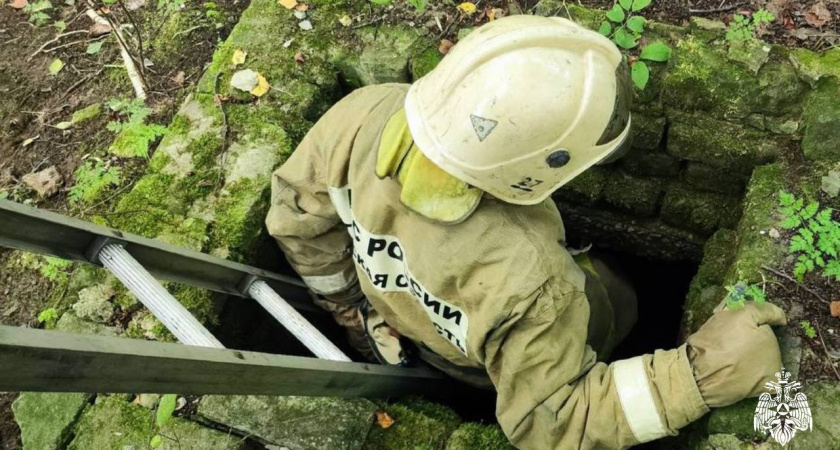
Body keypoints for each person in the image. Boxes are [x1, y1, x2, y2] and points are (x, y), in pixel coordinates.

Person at [266, 15, 787, 449]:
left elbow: (297, 223)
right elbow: (555, 420)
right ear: (533, 171)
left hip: (429, 342)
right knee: (621, 300)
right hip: (497, 361)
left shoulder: (362, 115)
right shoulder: (530, 277)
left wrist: (357, 312)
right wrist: (695, 379)